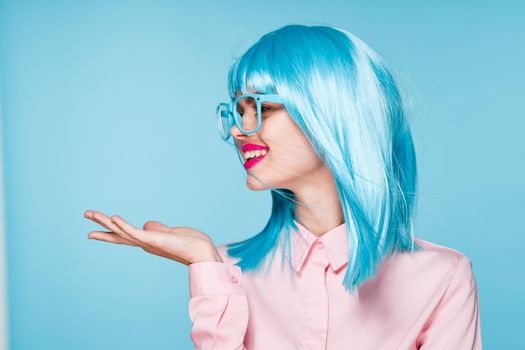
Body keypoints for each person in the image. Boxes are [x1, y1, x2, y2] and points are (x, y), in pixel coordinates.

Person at [84, 24, 483, 349]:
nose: (240, 131)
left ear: (332, 117)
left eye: (263, 108)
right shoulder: (226, 272)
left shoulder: (443, 278)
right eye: (236, 111)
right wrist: (206, 265)